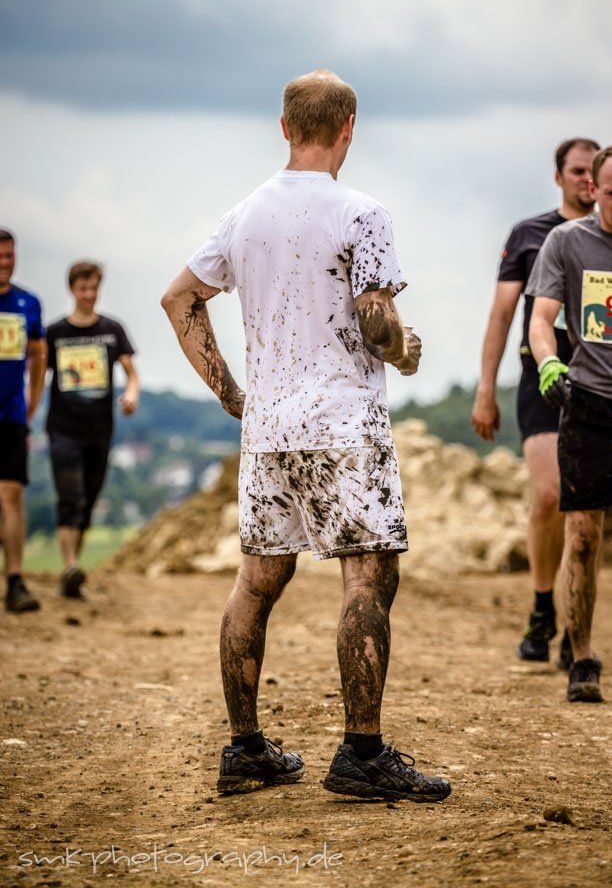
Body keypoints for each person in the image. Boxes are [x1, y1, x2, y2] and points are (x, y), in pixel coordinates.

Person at [162, 69, 451, 803]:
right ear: (349, 127)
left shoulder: (244, 215)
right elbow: (377, 321)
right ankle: (361, 752)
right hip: (344, 424)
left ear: (283, 127)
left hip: (269, 430)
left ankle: (245, 749)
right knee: (368, 574)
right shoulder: (362, 212)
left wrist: (231, 393)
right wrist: (406, 348)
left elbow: (179, 298)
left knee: (257, 581)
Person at [471, 138, 600, 666]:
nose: (587, 182)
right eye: (577, 172)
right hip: (541, 378)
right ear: (559, 177)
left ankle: (577, 626)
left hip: (603, 382)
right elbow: (503, 315)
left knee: (586, 511)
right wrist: (485, 389)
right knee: (550, 495)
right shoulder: (529, 235)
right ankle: (543, 606)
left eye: (595, 173)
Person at [528, 144, 612, 703]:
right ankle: (583, 656)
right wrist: (548, 360)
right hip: (589, 404)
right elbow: (541, 317)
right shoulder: (566, 243)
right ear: (593, 190)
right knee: (584, 537)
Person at [46, 261, 139, 598]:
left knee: (88, 501)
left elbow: (131, 371)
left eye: (93, 289)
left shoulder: (112, 329)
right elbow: (35, 374)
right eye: (82, 289)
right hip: (62, 430)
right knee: (70, 498)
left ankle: (71, 572)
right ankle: (70, 565)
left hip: (100, 432)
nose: (88, 295)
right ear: (72, 289)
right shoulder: (54, 333)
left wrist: (130, 395)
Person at [0, 229, 47, 611]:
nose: (5, 263)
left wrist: (31, 406)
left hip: (11, 417)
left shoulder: (28, 303)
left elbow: (38, 355)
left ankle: (15, 580)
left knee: (11, 495)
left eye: (9, 256)